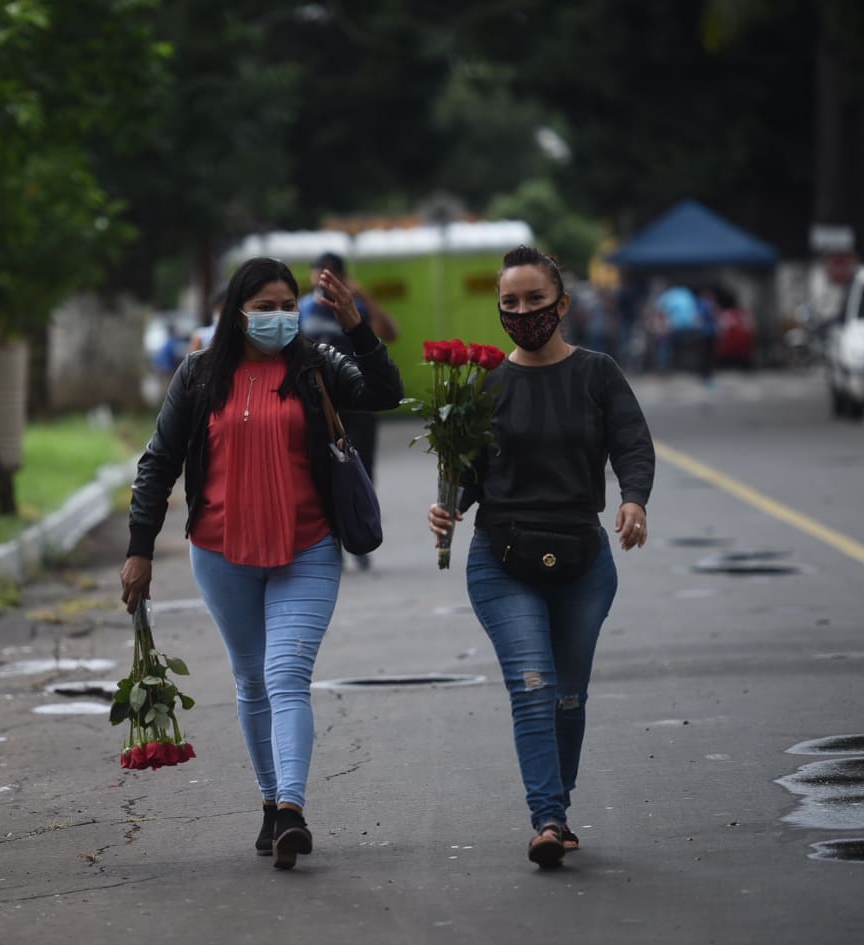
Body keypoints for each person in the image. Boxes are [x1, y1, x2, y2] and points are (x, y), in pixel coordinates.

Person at [121, 256, 403, 870]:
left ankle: (295, 810)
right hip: (221, 553)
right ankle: (272, 803)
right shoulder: (199, 376)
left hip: (308, 546)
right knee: (251, 680)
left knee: (286, 676)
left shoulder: (316, 367)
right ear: (236, 310)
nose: (277, 317)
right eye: (264, 305)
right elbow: (158, 462)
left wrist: (356, 325)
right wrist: (140, 549)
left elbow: (386, 393)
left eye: (287, 305)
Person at [427, 245, 655, 869]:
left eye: (535, 300)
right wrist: (449, 507)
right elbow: (469, 473)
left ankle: (559, 801)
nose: (523, 312)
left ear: (562, 304)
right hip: (501, 561)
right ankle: (548, 820)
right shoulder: (486, 385)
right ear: (499, 308)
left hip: (584, 561)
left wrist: (634, 500)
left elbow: (632, 444)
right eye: (510, 303)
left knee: (568, 696)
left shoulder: (598, 373)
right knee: (534, 686)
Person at [297, 251, 400, 570]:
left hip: (357, 397)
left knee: (358, 468)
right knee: (322, 469)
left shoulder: (355, 307)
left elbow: (391, 333)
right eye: (319, 273)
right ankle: (332, 540)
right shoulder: (300, 308)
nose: (324, 280)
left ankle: (358, 535)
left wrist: (363, 298)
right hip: (317, 402)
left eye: (331, 275)